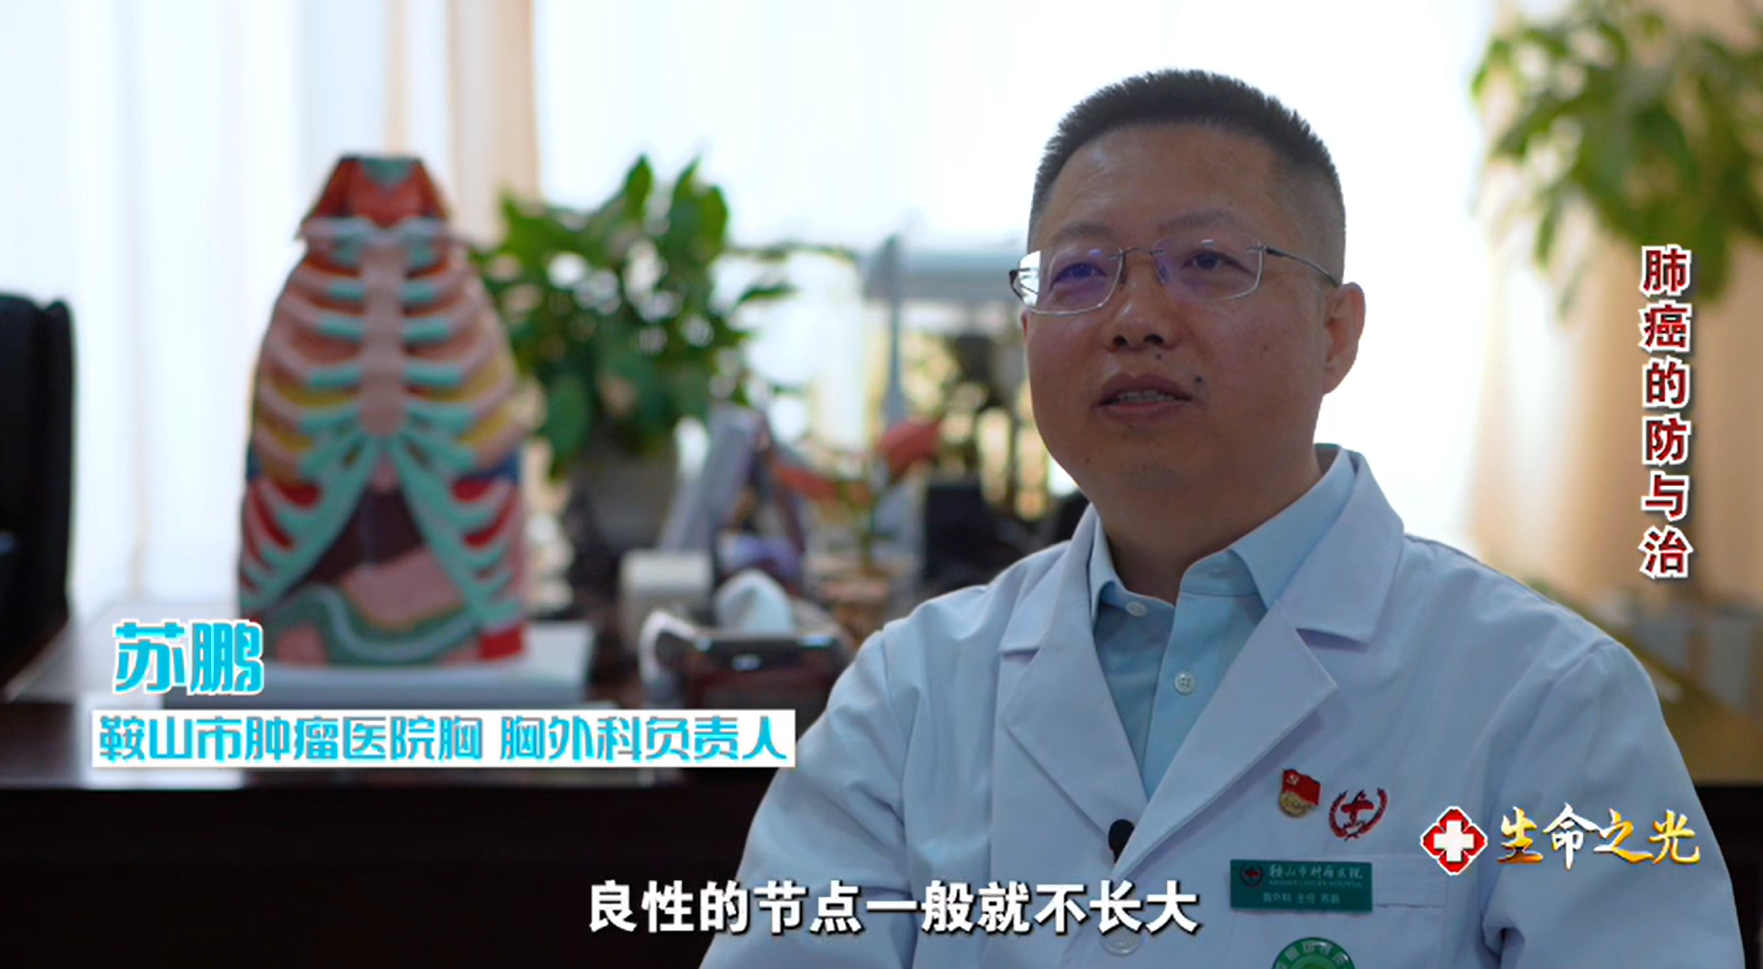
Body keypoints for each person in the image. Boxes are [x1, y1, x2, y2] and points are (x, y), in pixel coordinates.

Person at [700, 69, 1743, 968]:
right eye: (1078, 273)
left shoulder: (1548, 700)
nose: (1133, 319)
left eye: (1204, 261)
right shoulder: (909, 693)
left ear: (1335, 332)